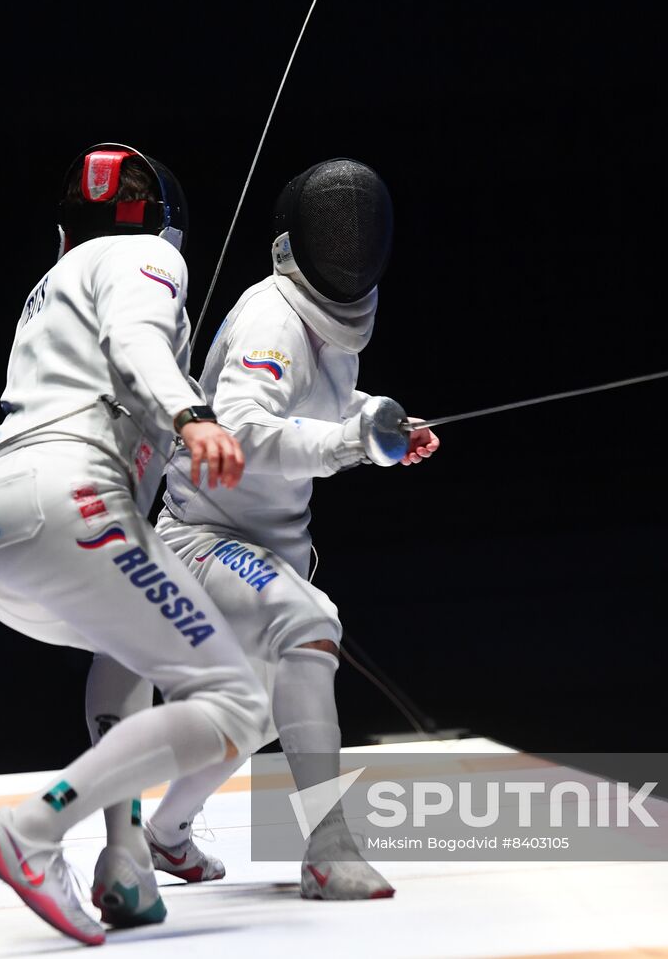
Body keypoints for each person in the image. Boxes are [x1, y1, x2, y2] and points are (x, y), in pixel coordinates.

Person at [84, 158, 436, 900]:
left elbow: (314, 401)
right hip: (203, 542)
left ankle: (166, 836)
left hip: (261, 551)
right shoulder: (272, 318)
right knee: (311, 623)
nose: (350, 243)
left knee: (256, 711)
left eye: (360, 230)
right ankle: (328, 849)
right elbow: (242, 429)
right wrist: (350, 443)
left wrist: (379, 424)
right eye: (336, 229)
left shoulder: (316, 322)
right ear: (297, 239)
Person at [0, 144, 269, 945]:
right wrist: (192, 417)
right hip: (66, 498)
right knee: (236, 702)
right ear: (165, 224)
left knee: (131, 650)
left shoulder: (51, 288)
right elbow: (137, 339)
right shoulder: (147, 259)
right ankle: (31, 829)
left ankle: (125, 862)